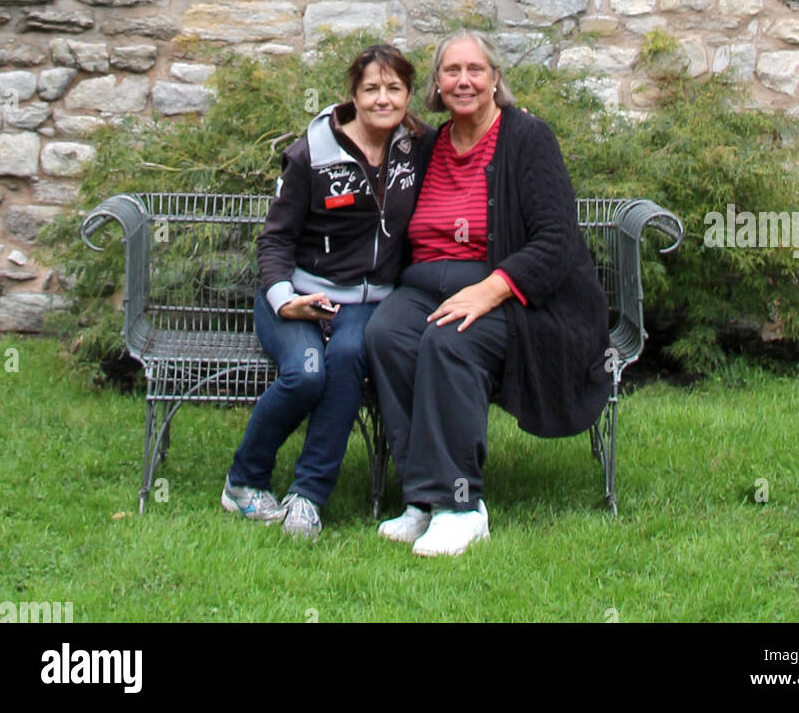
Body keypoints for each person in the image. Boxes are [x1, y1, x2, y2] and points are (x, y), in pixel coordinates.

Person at [365, 30, 611, 557]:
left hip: (516, 297)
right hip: (425, 283)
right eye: (451, 71)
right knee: (387, 334)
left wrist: (491, 290)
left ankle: (460, 505)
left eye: (475, 70)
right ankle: (421, 499)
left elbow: (556, 239)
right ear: (436, 84)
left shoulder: (527, 139)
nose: (464, 81)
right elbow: (364, 140)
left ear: (496, 78)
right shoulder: (428, 146)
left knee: (451, 341)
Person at [222, 43, 434, 539]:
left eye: (394, 88)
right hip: (296, 295)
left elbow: (477, 133)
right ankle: (243, 481)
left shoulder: (419, 145)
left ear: (408, 95)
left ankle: (307, 497)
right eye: (371, 89)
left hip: (367, 301)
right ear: (353, 96)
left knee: (346, 357)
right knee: (305, 374)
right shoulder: (311, 153)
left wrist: (511, 119)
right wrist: (284, 299)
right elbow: (275, 239)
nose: (383, 99)